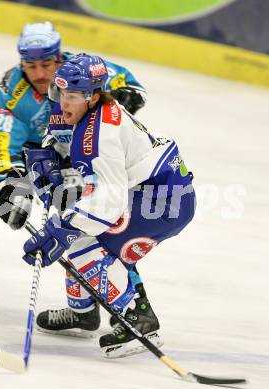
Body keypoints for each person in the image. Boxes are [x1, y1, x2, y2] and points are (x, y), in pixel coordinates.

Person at [0, 23, 147, 305]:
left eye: (46, 64)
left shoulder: (81, 69)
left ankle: (95, 303)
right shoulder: (10, 88)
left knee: (86, 219)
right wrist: (9, 185)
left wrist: (127, 97)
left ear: (59, 57)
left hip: (73, 155)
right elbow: (1, 143)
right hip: (25, 153)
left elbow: (130, 84)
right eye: (31, 65)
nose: (39, 74)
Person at [23, 53, 196, 358]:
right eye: (61, 92)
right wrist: (50, 159)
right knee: (80, 228)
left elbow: (109, 202)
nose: (64, 103)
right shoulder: (78, 108)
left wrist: (61, 229)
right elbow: (60, 140)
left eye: (73, 96)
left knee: (80, 241)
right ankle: (83, 312)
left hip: (163, 200)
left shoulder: (99, 134)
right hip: (149, 191)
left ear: (92, 97)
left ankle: (139, 322)